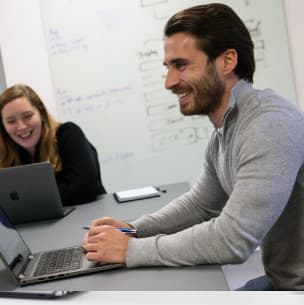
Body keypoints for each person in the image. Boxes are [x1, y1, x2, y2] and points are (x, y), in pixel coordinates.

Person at [82, 3, 304, 290]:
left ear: (227, 61)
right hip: (281, 282)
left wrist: (130, 250)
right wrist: (131, 230)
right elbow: (200, 205)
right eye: (168, 67)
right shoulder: (226, 131)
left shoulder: (270, 124)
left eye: (181, 65)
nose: (169, 82)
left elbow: (232, 238)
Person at [0, 84, 106, 205]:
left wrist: (30, 203)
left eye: (27, 116)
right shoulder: (7, 155)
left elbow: (84, 188)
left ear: (42, 114)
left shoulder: (68, 134)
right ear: (3, 127)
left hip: (91, 218)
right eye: (11, 121)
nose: (21, 126)